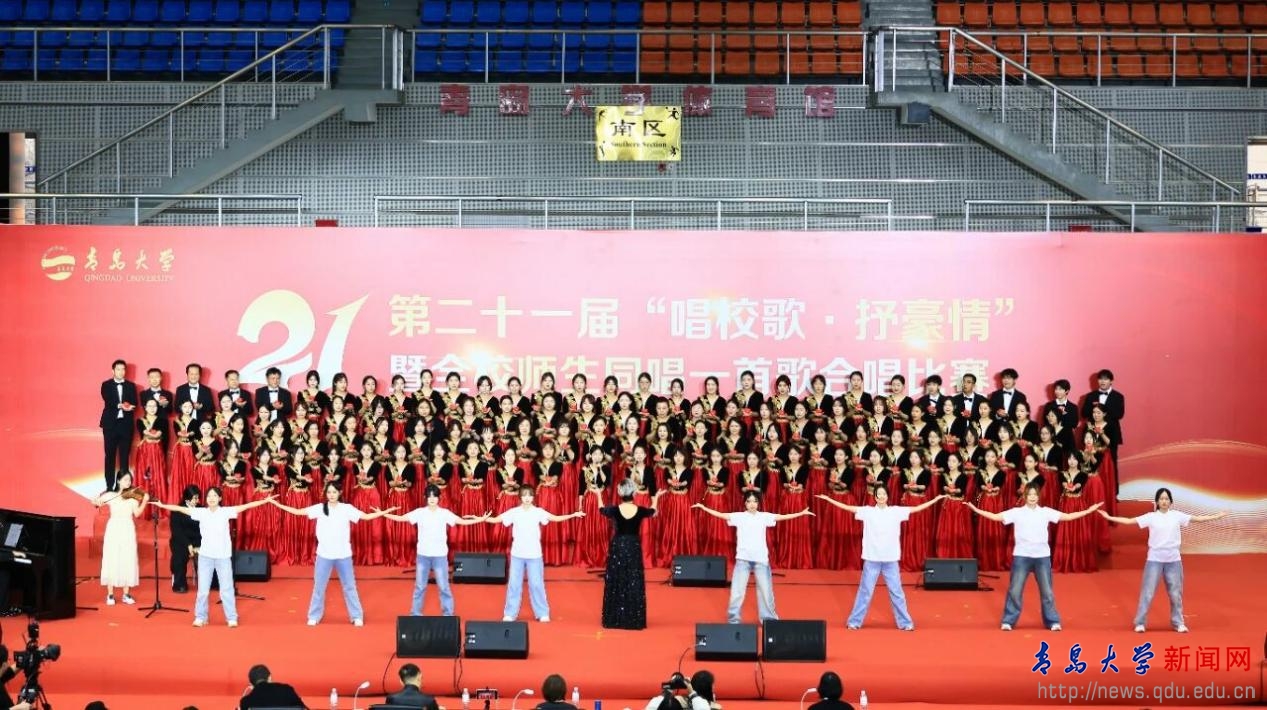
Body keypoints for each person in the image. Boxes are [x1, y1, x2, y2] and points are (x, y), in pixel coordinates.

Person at [967, 484, 1102, 631]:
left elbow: (1068, 517)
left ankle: (1052, 621)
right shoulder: (1017, 512)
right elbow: (995, 517)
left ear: (1038, 496)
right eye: (1030, 494)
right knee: (1015, 590)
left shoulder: (1045, 512)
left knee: (1047, 592)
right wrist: (975, 509)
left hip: (1042, 557)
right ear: (1025, 496)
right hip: (1021, 556)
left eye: (1035, 494)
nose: (1032, 497)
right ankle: (1008, 621)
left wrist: (1089, 510)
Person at [1100, 488, 1228, 633]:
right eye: (1161, 499)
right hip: (1154, 560)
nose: (1164, 501)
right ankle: (1140, 622)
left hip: (1173, 560)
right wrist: (1109, 517)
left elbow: (1197, 519)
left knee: (1175, 593)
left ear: (1171, 502)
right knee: (1147, 592)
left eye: (1166, 499)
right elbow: (1130, 521)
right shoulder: (1151, 517)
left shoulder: (1177, 516)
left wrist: (1217, 516)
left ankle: (1178, 622)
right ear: (1157, 502)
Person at [816, 488, 946, 630]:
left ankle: (905, 623)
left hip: (891, 560)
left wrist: (935, 500)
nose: (882, 496)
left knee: (897, 592)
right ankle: (854, 621)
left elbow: (916, 508)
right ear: (875, 497)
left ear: (887, 496)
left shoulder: (895, 511)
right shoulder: (868, 511)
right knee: (865, 591)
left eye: (884, 494)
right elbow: (848, 507)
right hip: (872, 559)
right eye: (879, 494)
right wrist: (829, 499)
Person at [269, 482, 395, 626]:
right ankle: (314, 615)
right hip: (324, 554)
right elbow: (298, 511)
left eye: (334, 492)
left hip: (343, 555)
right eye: (329, 492)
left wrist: (384, 512)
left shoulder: (347, 508)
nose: (331, 495)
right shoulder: (319, 508)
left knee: (350, 586)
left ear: (339, 493)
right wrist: (277, 504)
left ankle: (356, 616)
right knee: (319, 586)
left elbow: (365, 517)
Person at [153, 487, 275, 627]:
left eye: (215, 496)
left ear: (220, 498)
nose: (211, 498)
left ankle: (231, 617)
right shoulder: (201, 512)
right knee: (203, 591)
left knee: (226, 590)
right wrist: (162, 505)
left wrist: (264, 501)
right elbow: (180, 509)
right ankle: (201, 616)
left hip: (223, 557)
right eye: (209, 496)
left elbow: (246, 506)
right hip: (206, 557)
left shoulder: (225, 512)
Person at [693, 491, 813, 624]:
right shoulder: (739, 516)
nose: (752, 504)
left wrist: (801, 513)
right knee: (737, 592)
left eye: (755, 501)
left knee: (766, 592)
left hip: (761, 560)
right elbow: (721, 515)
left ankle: (769, 620)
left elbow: (782, 517)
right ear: (745, 503)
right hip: (743, 560)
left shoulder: (764, 516)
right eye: (749, 501)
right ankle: (733, 621)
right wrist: (704, 508)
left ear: (758, 503)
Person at [380, 484, 488, 617]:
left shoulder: (444, 513)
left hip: (440, 556)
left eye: (435, 496)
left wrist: (481, 520)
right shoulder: (419, 512)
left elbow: (461, 521)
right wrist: (383, 514)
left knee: (444, 587)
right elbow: (401, 518)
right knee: (420, 587)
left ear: (439, 498)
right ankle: (415, 614)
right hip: (423, 556)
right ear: (425, 497)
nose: (432, 499)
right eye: (429, 496)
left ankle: (448, 614)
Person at [485, 486, 584, 623]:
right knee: (514, 584)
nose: (527, 498)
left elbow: (555, 518)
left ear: (533, 497)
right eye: (524, 495)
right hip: (517, 554)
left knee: (536, 584)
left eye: (530, 495)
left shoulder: (538, 512)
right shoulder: (514, 512)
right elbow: (496, 519)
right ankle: (510, 613)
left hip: (534, 555)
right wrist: (482, 519)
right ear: (520, 497)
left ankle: (542, 613)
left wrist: (573, 515)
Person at [599, 479, 664, 630]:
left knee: (616, 578)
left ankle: (614, 618)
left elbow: (601, 510)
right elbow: (653, 512)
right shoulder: (640, 510)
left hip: (618, 546)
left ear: (620, 493)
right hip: (633, 546)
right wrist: (656, 498)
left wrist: (597, 495)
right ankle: (633, 618)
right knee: (633, 580)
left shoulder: (614, 510)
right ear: (634, 493)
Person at [93, 470, 149, 606]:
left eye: (129, 480)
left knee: (127, 558)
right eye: (125, 480)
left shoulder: (133, 497)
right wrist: (96, 500)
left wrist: (145, 501)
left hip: (128, 528)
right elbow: (95, 502)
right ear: (118, 481)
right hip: (113, 528)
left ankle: (126, 594)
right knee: (111, 558)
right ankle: (110, 594)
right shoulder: (110, 495)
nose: (128, 482)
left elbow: (137, 513)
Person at [99, 359, 137, 490]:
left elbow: (135, 402)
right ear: (113, 371)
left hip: (126, 426)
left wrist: (130, 406)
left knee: (124, 458)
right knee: (109, 456)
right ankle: (109, 487)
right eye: (118, 369)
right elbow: (108, 399)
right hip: (110, 426)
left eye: (123, 369)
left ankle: (123, 487)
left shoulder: (131, 386)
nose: (121, 372)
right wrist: (121, 405)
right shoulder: (106, 385)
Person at [169, 484, 202, 593]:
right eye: (195, 498)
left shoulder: (201, 509)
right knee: (180, 555)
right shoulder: (177, 510)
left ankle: (210, 582)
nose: (197, 501)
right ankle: (179, 583)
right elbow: (176, 531)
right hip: (181, 540)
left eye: (198, 498)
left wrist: (198, 545)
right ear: (187, 498)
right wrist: (188, 545)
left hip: (197, 539)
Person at [238, 663, 305, 709]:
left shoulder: (246, 702)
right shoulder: (287, 690)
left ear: (251, 684)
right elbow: (303, 708)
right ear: (269, 677)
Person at [642, 670, 716, 710]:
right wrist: (692, 693)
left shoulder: (677, 702)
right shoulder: (711, 707)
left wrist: (667, 692)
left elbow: (653, 707)